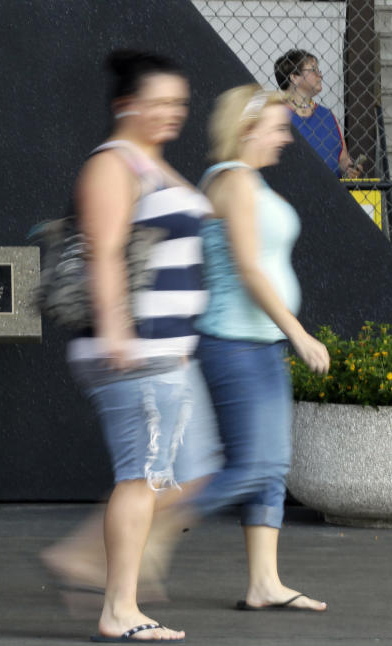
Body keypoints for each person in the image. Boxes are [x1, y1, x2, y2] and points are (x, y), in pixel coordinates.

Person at [61, 50, 216, 643]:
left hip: (168, 350)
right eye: (158, 102)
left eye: (179, 103)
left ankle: (104, 578)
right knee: (144, 476)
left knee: (178, 474)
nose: (171, 112)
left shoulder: (153, 162)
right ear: (126, 104)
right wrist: (118, 331)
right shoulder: (113, 164)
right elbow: (102, 252)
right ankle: (119, 609)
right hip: (137, 350)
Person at [191, 84, 330, 612]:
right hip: (235, 343)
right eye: (277, 128)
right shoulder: (232, 182)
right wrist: (298, 332)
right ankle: (147, 527)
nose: (285, 138)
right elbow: (249, 269)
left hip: (261, 344)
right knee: (253, 466)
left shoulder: (246, 182)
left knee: (271, 468)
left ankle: (264, 583)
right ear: (248, 130)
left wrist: (285, 336)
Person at [273, 49, 361, 178]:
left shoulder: (327, 115)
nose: (320, 75)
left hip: (330, 191)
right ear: (294, 77)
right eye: (313, 70)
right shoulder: (275, 114)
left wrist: (349, 168)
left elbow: (342, 159)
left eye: (318, 70)